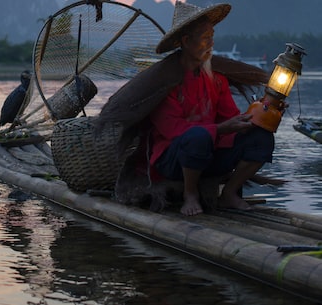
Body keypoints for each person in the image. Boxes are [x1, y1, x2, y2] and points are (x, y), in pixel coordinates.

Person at [96, 1, 274, 216]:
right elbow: (174, 129)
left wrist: (262, 113)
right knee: (197, 136)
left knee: (261, 137)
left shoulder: (216, 78)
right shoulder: (165, 80)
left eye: (212, 36)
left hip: (208, 153)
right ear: (187, 41)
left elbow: (230, 117)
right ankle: (190, 194)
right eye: (205, 37)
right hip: (173, 159)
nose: (211, 43)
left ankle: (229, 193)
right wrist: (220, 129)